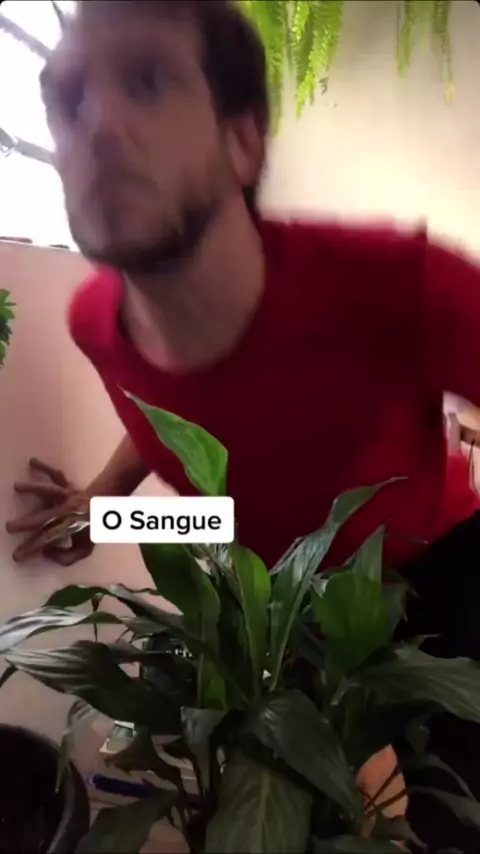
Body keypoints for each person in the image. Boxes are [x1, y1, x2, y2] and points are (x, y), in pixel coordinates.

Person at [5, 0, 480, 847]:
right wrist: (101, 509)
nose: (98, 125)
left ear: (244, 139)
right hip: (279, 598)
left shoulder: (397, 281)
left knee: (457, 812)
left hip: (440, 571)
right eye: (66, 99)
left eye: (147, 80)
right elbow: (188, 446)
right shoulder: (94, 325)